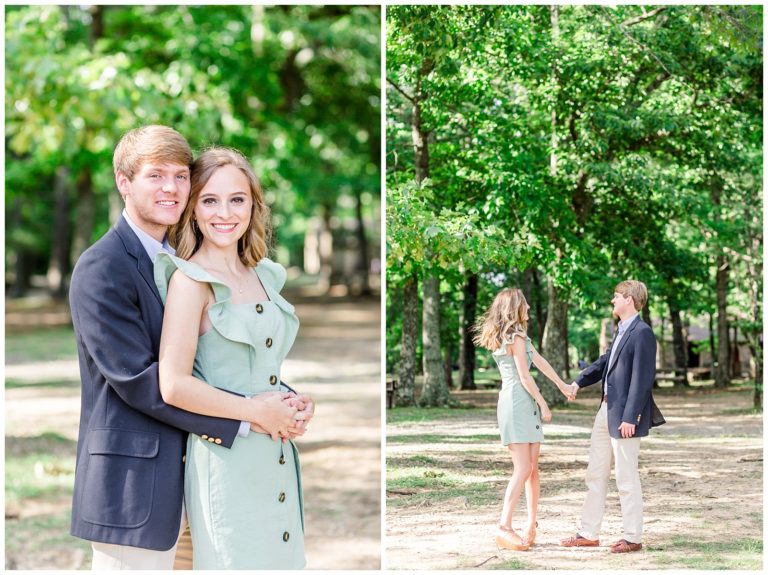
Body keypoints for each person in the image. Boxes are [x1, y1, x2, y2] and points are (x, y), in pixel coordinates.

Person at [69, 126, 311, 570]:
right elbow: (140, 382)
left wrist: (279, 397)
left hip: (204, 473)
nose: (171, 188)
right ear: (124, 182)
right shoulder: (102, 267)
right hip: (136, 483)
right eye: (156, 175)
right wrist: (251, 414)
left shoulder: (180, 260)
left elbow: (211, 358)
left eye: (181, 176)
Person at [154, 146, 307, 569]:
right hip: (226, 458)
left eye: (236, 199)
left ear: (253, 205)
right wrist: (256, 411)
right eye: (210, 200)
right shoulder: (189, 282)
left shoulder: (265, 275)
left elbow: (262, 366)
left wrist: (292, 400)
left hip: (275, 453)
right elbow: (174, 384)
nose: (225, 213)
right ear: (193, 210)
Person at [474, 288, 574, 551]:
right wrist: (543, 404)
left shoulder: (521, 337)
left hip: (523, 402)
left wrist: (563, 385)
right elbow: (524, 376)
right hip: (517, 402)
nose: (529, 307)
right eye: (525, 304)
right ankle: (503, 526)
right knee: (522, 469)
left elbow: (539, 363)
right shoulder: (514, 338)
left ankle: (531, 524)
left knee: (532, 468)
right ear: (515, 307)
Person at [560, 280, 656, 554]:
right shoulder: (621, 330)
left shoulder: (642, 333)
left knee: (626, 477)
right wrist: (579, 381)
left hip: (626, 417)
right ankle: (588, 533)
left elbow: (642, 379)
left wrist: (631, 416)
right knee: (595, 473)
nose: (612, 301)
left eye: (615, 297)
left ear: (629, 299)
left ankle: (632, 537)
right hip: (605, 411)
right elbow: (605, 363)